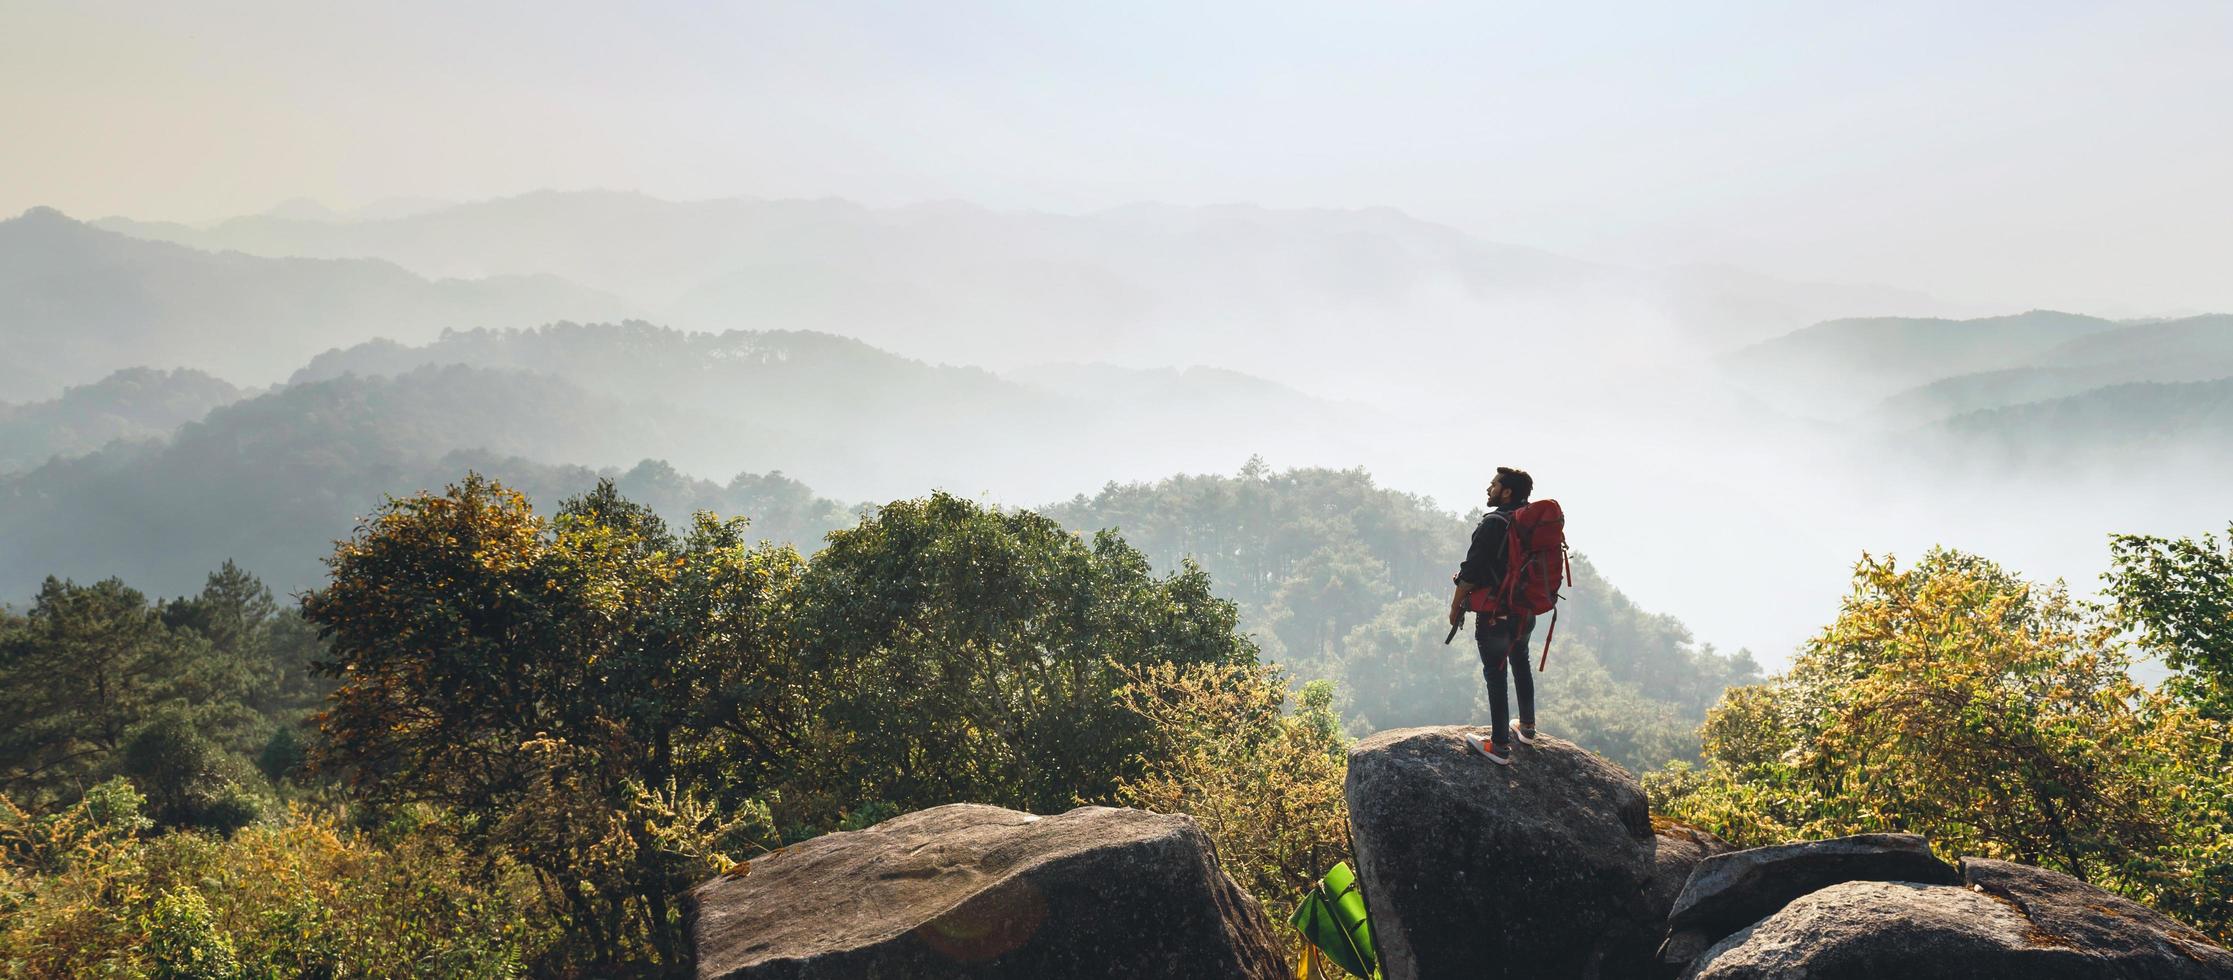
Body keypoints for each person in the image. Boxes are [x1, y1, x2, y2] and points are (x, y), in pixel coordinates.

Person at [1449, 466, 1539, 765]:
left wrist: (1454, 607)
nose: (1489, 489)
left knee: (1496, 673)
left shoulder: (1494, 523)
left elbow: (1470, 572)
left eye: (1494, 485)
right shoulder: (1530, 521)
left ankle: (1499, 746)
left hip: (1496, 616)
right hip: (1526, 610)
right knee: (1520, 659)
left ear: (1507, 491)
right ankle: (1526, 728)